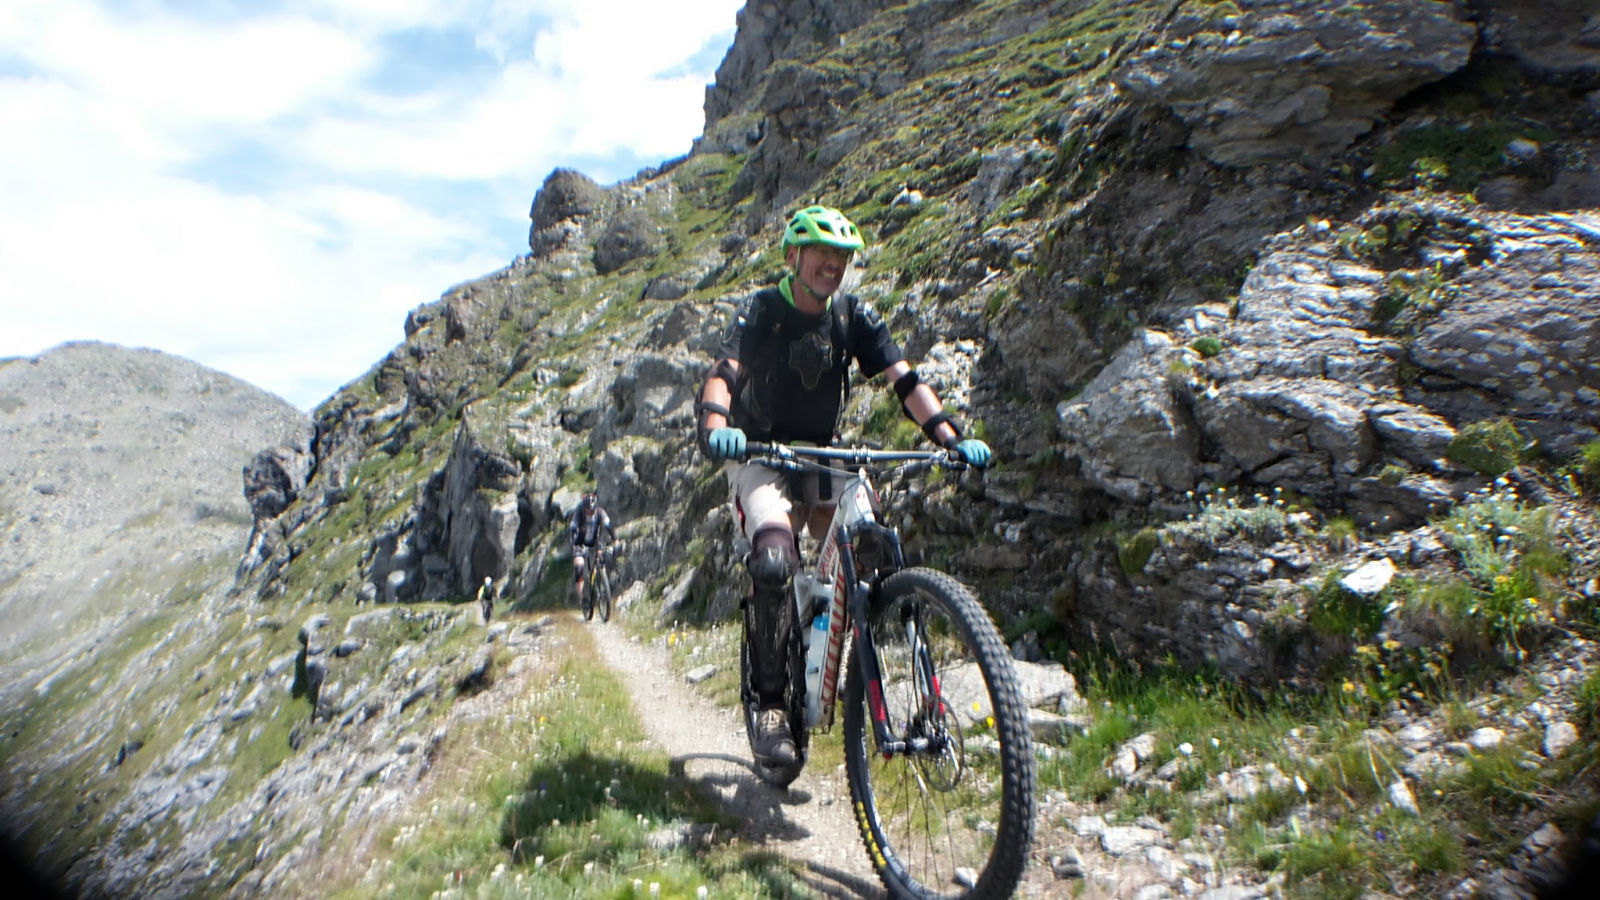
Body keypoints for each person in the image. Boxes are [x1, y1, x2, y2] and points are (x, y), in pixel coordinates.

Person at [693, 205, 992, 767]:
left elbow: (904, 379)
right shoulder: (763, 309)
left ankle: (896, 687)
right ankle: (771, 705)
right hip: (760, 451)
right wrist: (716, 426)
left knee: (874, 544)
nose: (834, 264)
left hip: (825, 452)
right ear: (793, 256)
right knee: (775, 560)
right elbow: (726, 370)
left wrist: (949, 436)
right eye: (823, 253)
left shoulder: (854, 315)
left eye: (842, 256)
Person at [569, 492, 614, 606]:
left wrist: (616, 540)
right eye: (588, 510)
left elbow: (608, 526)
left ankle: (602, 584)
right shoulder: (579, 514)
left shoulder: (600, 512)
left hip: (595, 541)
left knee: (601, 559)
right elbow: (572, 530)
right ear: (584, 508)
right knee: (579, 568)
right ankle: (583, 598)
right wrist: (574, 544)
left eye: (592, 510)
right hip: (580, 543)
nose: (591, 512)